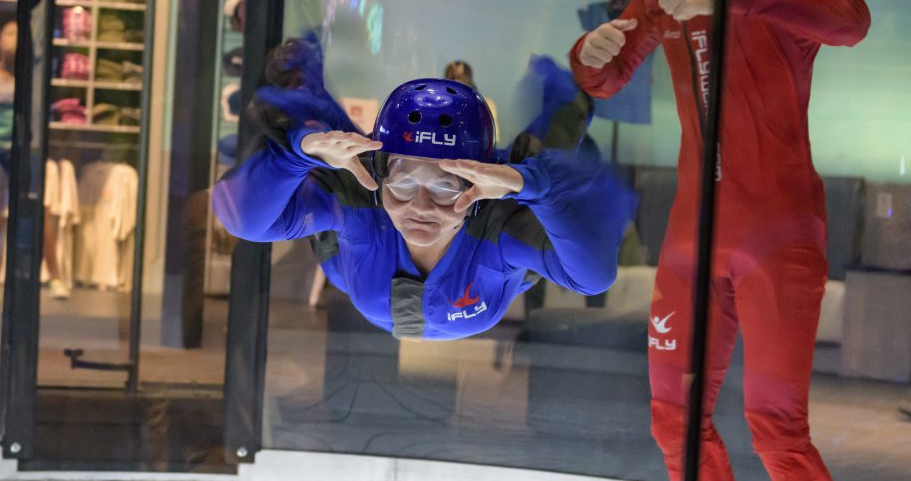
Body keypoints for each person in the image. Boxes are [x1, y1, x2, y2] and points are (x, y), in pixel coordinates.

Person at [567, 0, 870, 481]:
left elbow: (850, 22)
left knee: (778, 429)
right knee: (672, 418)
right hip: (691, 239)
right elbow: (608, 78)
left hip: (778, 234)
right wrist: (590, 54)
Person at [213, 40, 632, 340]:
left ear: (475, 185)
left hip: (383, 276)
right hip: (365, 261)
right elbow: (243, 219)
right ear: (380, 174)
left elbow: (593, 278)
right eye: (405, 181)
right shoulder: (362, 197)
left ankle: (553, 124)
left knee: (547, 153)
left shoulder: (497, 226)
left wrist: (535, 187)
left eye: (446, 188)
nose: (420, 206)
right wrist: (297, 153)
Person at [0, 9, 68, 310]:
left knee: (40, 213)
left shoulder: (34, 75)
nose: (15, 40)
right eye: (9, 34)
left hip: (26, 153)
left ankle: (55, 277)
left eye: (19, 34)